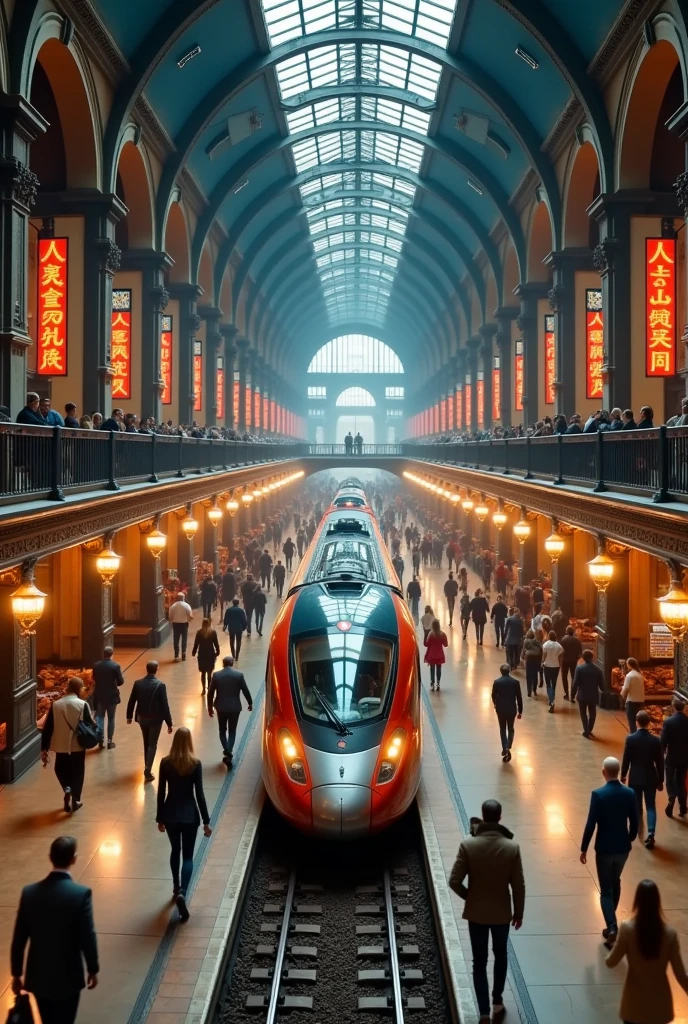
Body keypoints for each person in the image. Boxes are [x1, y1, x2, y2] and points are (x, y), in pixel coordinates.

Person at [449, 799, 525, 1024]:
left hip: (477, 914)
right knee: (501, 955)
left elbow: (454, 881)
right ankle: (497, 1002)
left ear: (482, 815)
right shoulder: (512, 848)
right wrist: (518, 913)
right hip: (502, 914)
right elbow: (518, 885)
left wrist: (470, 897)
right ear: (500, 817)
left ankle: (482, 1011)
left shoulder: (468, 845)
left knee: (479, 961)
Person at [11, 836, 99, 1024]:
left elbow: (19, 939)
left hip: (39, 977)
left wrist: (16, 974)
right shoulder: (80, 894)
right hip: (69, 978)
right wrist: (93, 968)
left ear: (50, 857)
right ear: (74, 859)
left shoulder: (29, 893)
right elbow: (87, 936)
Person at [605, 879, 688, 1024]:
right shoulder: (670, 934)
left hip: (633, 1006)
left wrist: (612, 944)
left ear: (637, 901)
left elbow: (611, 962)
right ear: (658, 902)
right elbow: (681, 975)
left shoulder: (627, 930)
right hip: (660, 1007)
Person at [580, 756, 638, 947]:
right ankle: (610, 920)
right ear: (619, 772)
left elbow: (590, 824)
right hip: (622, 848)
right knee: (616, 881)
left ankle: (612, 926)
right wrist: (629, 837)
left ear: (604, 772)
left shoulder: (598, 794)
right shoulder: (629, 793)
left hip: (604, 848)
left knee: (605, 889)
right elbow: (635, 821)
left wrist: (584, 848)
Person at [156, 727, 212, 922]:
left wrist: (159, 818)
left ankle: (175, 884)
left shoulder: (165, 762)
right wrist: (206, 821)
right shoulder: (195, 764)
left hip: (171, 813)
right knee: (188, 856)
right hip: (190, 815)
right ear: (189, 742)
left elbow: (161, 792)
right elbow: (200, 794)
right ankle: (183, 891)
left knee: (175, 850)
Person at [40, 677, 94, 813]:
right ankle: (75, 800)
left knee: (60, 769)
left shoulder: (56, 705)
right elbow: (91, 724)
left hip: (61, 744)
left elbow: (48, 728)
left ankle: (66, 787)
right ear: (79, 689)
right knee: (78, 772)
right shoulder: (83, 704)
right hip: (78, 744)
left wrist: (44, 748)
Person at [621, 709, 664, 849]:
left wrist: (623, 774)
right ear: (648, 723)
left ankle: (638, 829)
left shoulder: (630, 739)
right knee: (651, 806)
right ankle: (651, 833)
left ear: (636, 722)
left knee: (637, 806)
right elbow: (659, 762)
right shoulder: (655, 740)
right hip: (650, 777)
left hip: (635, 778)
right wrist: (661, 780)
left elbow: (626, 759)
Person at [126, 661, 173, 782]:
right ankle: (147, 769)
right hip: (156, 719)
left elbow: (132, 701)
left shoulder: (138, 683)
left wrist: (129, 716)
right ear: (156, 669)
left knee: (146, 742)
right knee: (152, 743)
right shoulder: (160, 685)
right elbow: (165, 705)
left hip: (142, 718)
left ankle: (147, 764)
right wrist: (169, 722)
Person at [207, 655, 253, 768]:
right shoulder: (239, 675)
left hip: (221, 707)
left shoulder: (216, 675)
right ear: (232, 663)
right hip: (234, 707)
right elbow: (245, 690)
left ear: (223, 664)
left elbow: (210, 692)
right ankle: (229, 751)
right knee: (232, 731)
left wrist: (209, 707)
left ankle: (226, 750)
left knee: (222, 730)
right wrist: (250, 702)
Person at [92, 645, 124, 749]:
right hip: (111, 696)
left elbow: (94, 678)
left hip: (100, 695)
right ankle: (110, 741)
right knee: (111, 718)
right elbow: (120, 682)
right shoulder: (115, 666)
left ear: (103, 654)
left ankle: (100, 739)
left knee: (100, 717)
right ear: (112, 654)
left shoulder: (96, 665)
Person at [661, 695, 688, 818]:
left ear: (673, 707)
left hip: (671, 756)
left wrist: (660, 754)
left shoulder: (668, 722)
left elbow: (663, 741)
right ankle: (683, 807)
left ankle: (671, 795)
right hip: (685, 757)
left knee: (670, 779)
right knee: (681, 780)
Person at [491, 664, 523, 762]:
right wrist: (520, 711)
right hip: (512, 709)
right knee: (511, 728)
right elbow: (519, 698)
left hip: (501, 709)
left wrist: (496, 704)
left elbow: (493, 696)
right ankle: (509, 745)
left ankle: (504, 746)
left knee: (502, 728)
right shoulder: (515, 682)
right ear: (509, 671)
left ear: (501, 671)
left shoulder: (497, 682)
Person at [571, 649, 604, 737]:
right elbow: (602, 687)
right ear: (592, 657)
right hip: (593, 695)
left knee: (583, 713)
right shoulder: (598, 670)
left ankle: (586, 730)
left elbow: (575, 683)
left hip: (582, 695)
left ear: (583, 658)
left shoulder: (579, 669)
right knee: (592, 713)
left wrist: (572, 694)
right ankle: (589, 729)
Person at [191, 617, 220, 696]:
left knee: (203, 673)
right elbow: (216, 643)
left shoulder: (199, 632)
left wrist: (193, 652)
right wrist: (217, 652)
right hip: (210, 653)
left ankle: (203, 689)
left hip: (202, 654)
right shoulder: (213, 632)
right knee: (209, 673)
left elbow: (196, 643)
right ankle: (210, 688)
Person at [541, 629, 563, 712]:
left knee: (548, 684)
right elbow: (561, 653)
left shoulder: (546, 645)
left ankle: (551, 700)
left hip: (547, 666)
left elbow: (544, 655)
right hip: (556, 666)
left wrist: (542, 662)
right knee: (553, 684)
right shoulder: (559, 646)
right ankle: (552, 699)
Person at [621, 657, 645, 733]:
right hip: (640, 701)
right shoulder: (640, 675)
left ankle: (633, 737)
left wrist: (622, 695)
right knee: (639, 721)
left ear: (629, 665)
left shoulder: (629, 675)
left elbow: (626, 689)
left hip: (631, 701)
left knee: (632, 722)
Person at [424, 618, 448, 691]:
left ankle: (432, 684)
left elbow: (427, 644)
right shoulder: (443, 634)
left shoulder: (431, 634)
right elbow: (446, 645)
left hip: (431, 654)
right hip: (439, 654)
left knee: (432, 669)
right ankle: (438, 683)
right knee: (439, 669)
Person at [168, 592, 193, 661]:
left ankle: (176, 656)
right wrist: (188, 620)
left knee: (176, 640)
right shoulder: (187, 605)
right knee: (184, 639)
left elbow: (170, 617)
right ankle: (183, 655)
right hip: (184, 624)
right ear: (183, 598)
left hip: (175, 624)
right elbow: (191, 616)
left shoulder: (173, 606)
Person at [560, 624, 583, 700]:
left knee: (564, 677)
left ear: (566, 632)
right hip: (573, 661)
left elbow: (561, 652)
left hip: (565, 661)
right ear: (573, 632)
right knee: (574, 677)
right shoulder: (577, 641)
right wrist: (576, 658)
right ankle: (573, 695)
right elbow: (580, 654)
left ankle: (566, 694)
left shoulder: (563, 640)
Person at [522, 629, 543, 699]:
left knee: (529, 675)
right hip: (536, 659)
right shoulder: (537, 641)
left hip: (529, 658)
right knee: (535, 675)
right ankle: (534, 690)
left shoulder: (526, 641)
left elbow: (523, 650)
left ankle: (529, 691)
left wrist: (522, 657)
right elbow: (541, 648)